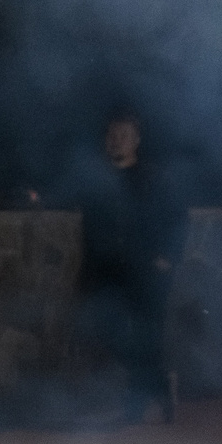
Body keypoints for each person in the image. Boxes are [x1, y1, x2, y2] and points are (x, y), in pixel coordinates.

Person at [80, 111, 182, 424]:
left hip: (147, 272)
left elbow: (177, 218)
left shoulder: (153, 178)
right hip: (109, 273)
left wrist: (167, 257)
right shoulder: (98, 181)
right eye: (112, 136)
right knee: (110, 332)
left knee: (145, 337)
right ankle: (160, 386)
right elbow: (90, 228)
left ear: (136, 141)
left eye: (124, 136)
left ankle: (136, 404)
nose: (117, 142)